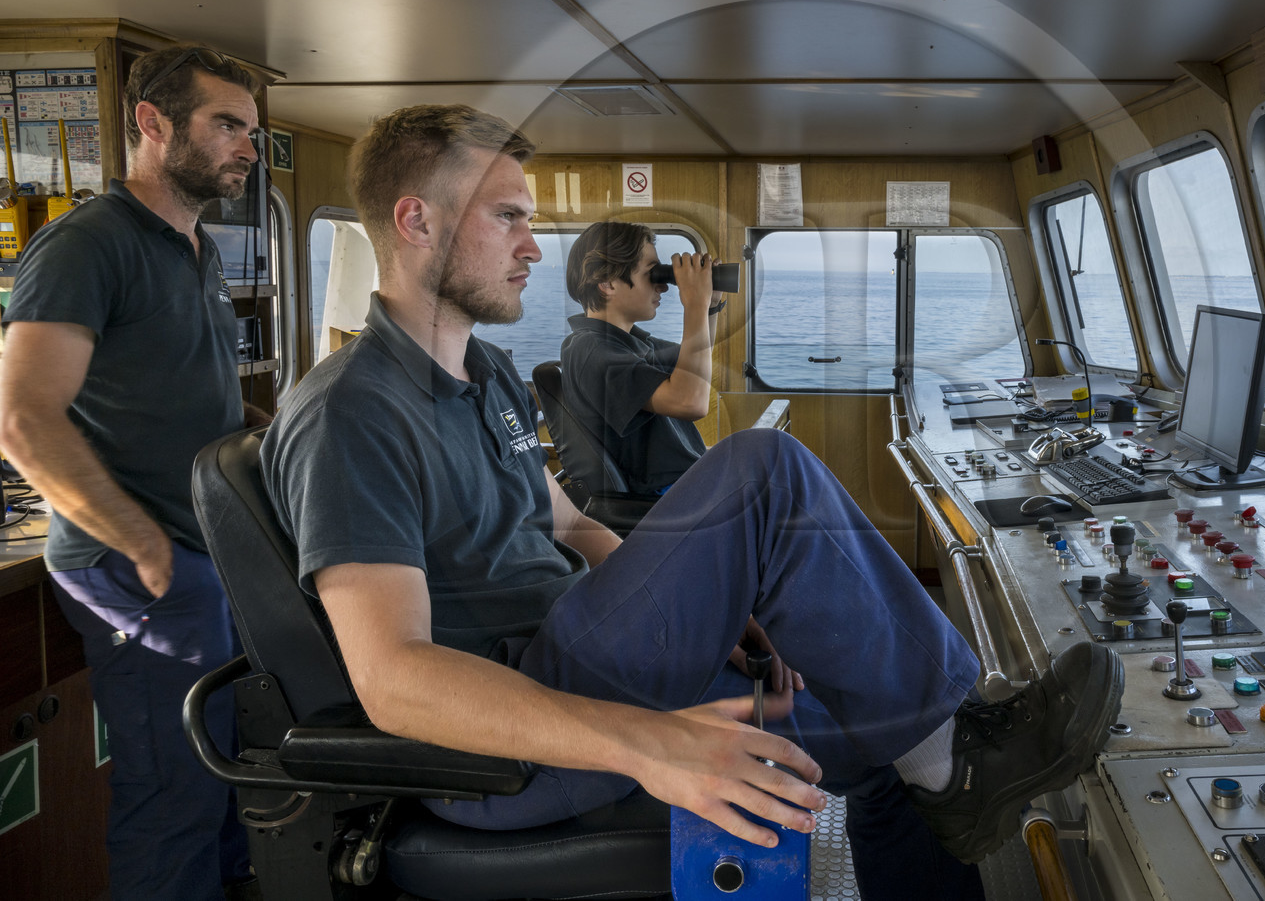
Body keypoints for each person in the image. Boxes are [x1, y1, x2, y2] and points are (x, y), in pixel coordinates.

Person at [259, 104, 1124, 895]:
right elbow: (395, 681)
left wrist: (703, 601)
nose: (531, 245)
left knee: (863, 727)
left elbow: (573, 522)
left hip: (583, 650)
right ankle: (958, 760)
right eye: (508, 216)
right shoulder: (349, 412)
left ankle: (951, 760)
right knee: (763, 468)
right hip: (506, 744)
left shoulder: (485, 373)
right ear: (417, 221)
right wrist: (650, 741)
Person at [0, 45, 268, 900]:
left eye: (252, 131)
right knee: (173, 800)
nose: (248, 150)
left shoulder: (198, 249)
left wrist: (283, 437)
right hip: (138, 564)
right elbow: (22, 418)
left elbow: (196, 399)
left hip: (202, 556)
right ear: (152, 124)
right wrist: (143, 543)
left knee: (222, 786)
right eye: (227, 124)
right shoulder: (85, 245)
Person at [559, 219, 719, 495]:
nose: (663, 287)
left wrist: (709, 307)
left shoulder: (629, 342)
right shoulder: (591, 350)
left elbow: (694, 366)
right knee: (776, 452)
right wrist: (694, 303)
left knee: (771, 453)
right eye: (653, 274)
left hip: (688, 483)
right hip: (667, 498)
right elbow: (691, 402)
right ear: (607, 282)